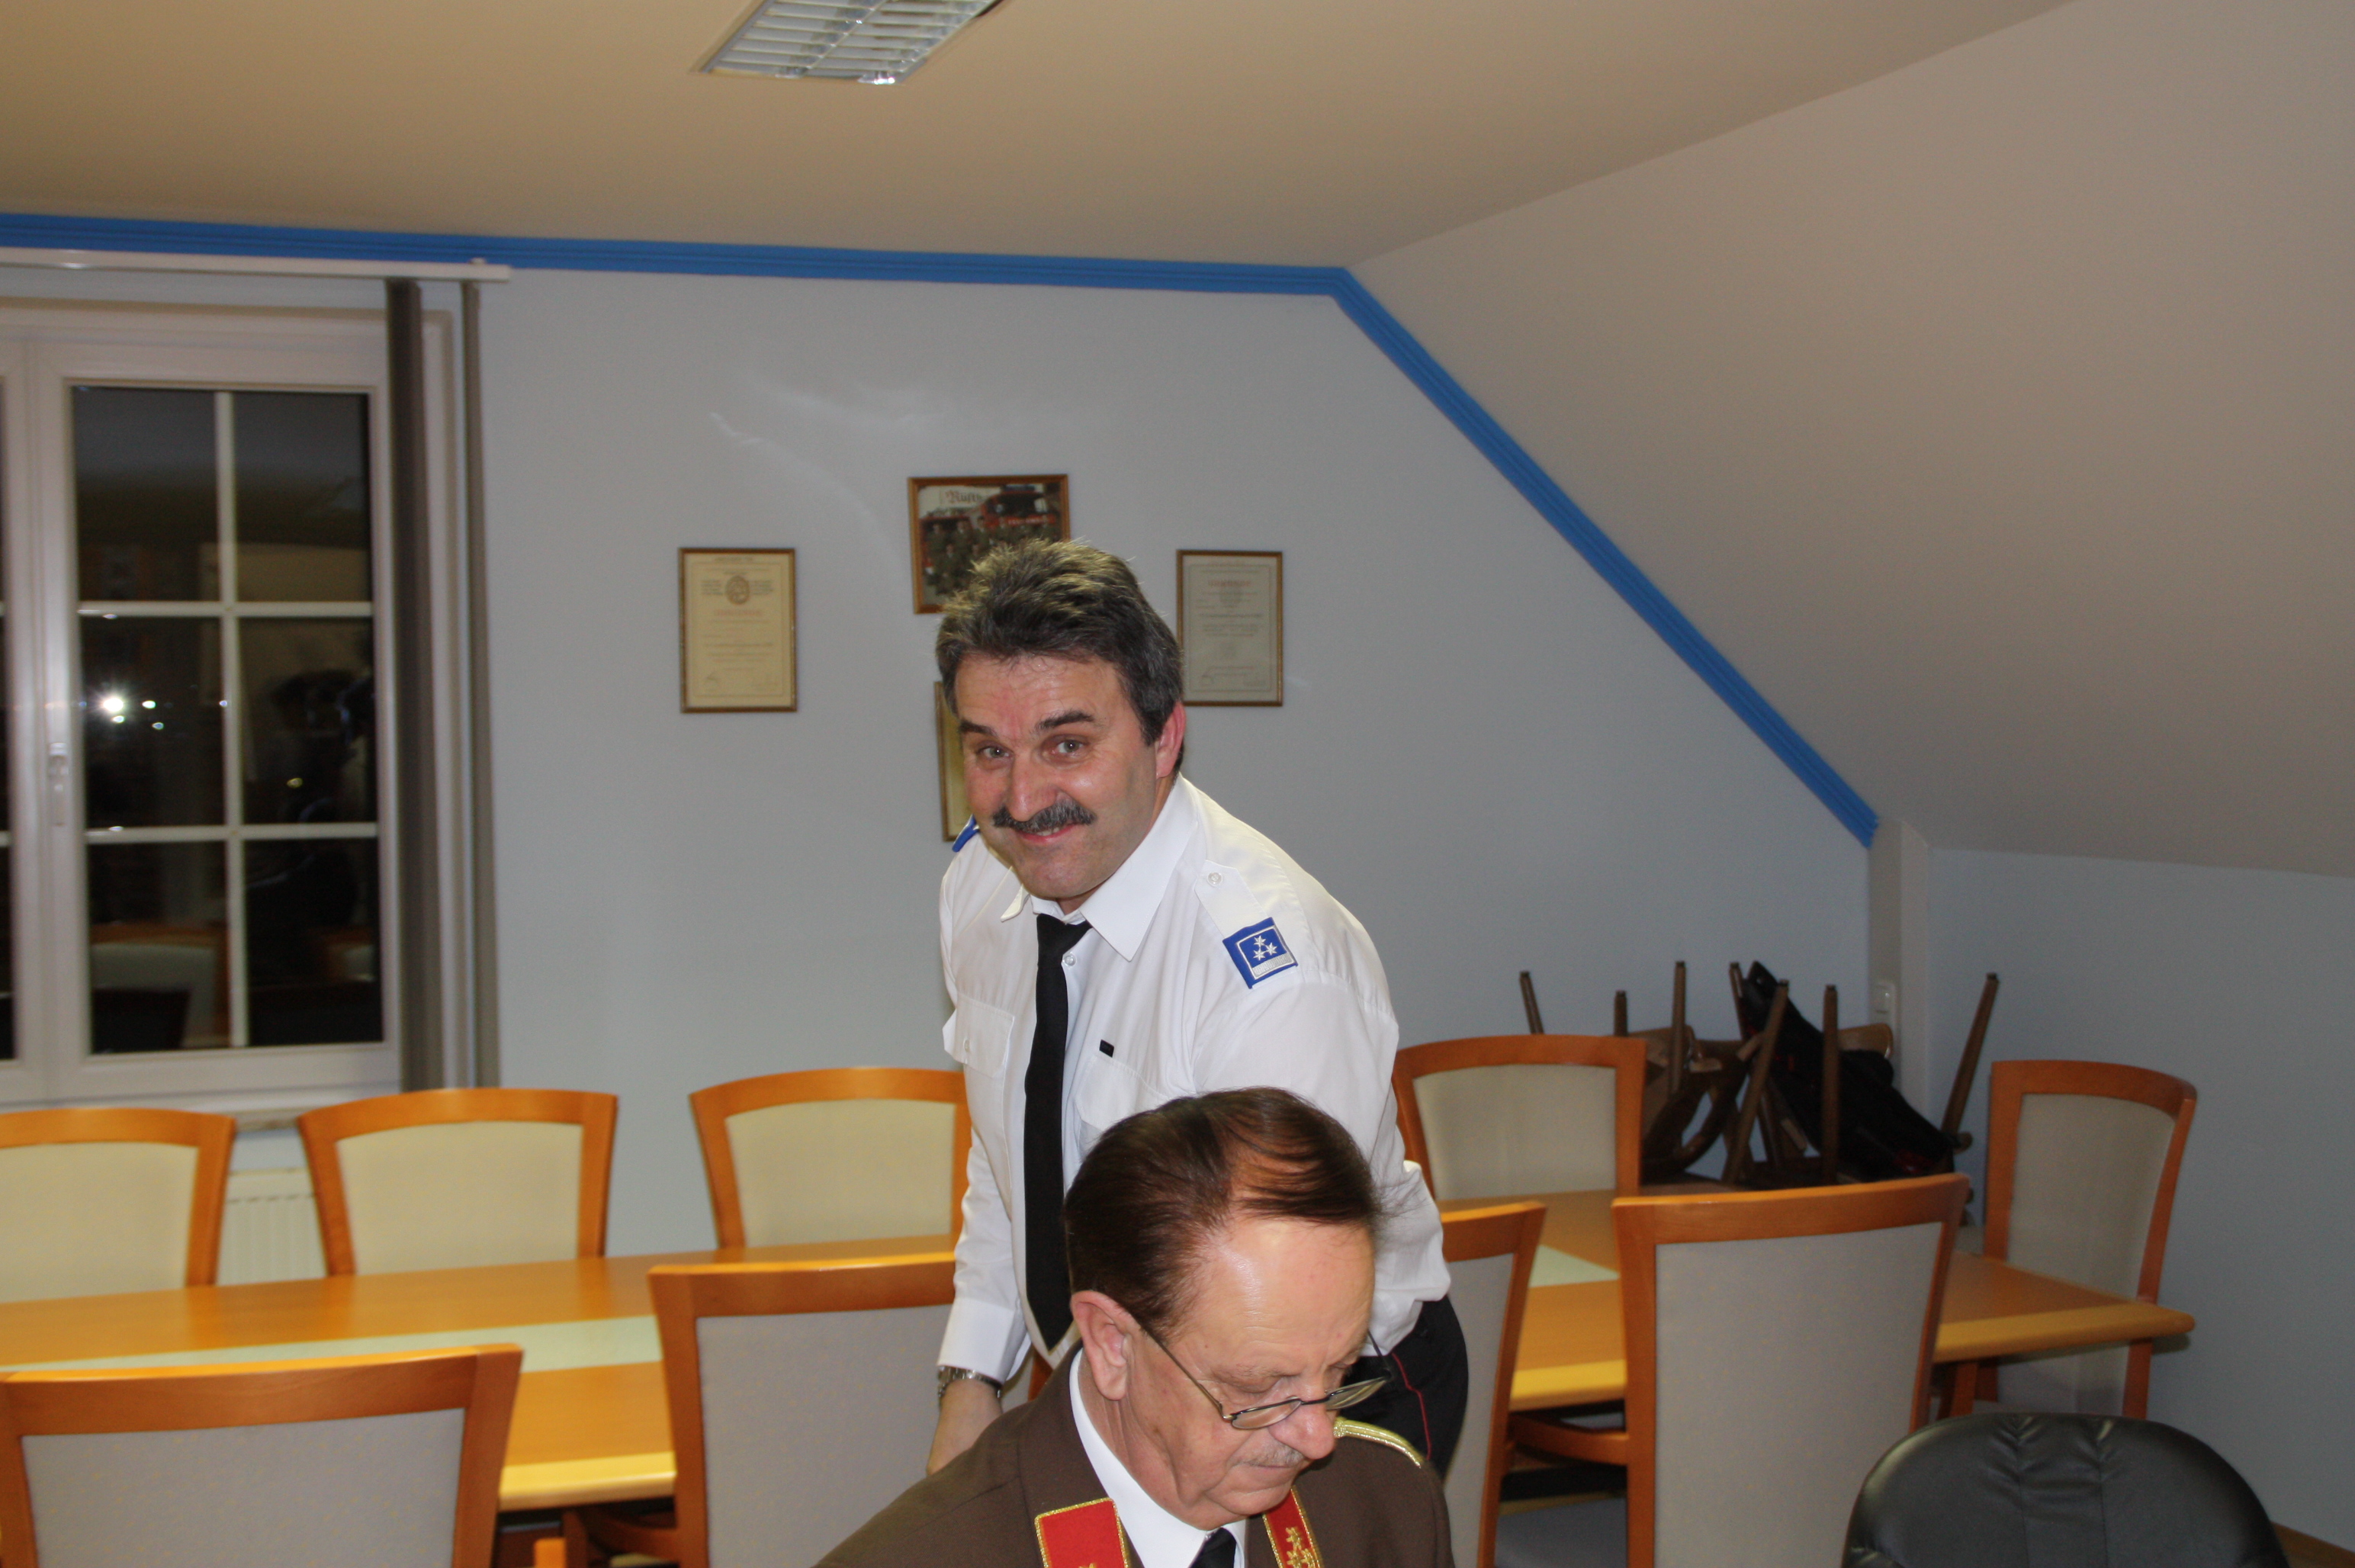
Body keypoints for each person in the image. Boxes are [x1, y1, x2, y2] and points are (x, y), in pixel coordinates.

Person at [928, 539, 1464, 1476]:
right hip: (1125, 1375)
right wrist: (974, 1371)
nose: (1022, 798)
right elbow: (1008, 1140)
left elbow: (1279, 1299)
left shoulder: (1273, 974)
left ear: (1164, 737)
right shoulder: (980, 887)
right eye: (989, 751)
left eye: (1067, 745)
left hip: (1318, 1390)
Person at [823, 1089, 1454, 1568]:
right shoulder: (928, 1553)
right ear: (1112, 1344)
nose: (1317, 1439)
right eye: (1259, 1388)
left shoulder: (1389, 1506)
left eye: (1341, 1372)